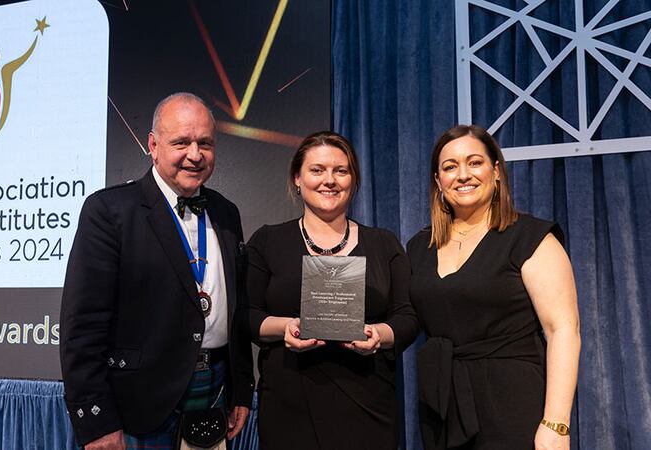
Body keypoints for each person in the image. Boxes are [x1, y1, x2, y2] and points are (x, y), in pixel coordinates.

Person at [60, 93, 254, 449]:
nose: (195, 154)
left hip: (214, 393)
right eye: (181, 142)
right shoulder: (109, 211)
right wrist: (97, 423)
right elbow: (82, 328)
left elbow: (237, 310)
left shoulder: (227, 212)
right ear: (153, 145)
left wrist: (241, 387)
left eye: (205, 143)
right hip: (140, 405)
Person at [407, 125, 580, 450]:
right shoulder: (419, 247)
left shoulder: (531, 237)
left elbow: (563, 330)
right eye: (450, 167)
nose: (463, 175)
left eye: (474, 162)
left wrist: (556, 424)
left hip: (514, 405)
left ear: (496, 171)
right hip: (443, 410)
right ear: (438, 181)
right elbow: (407, 317)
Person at [244, 131, 420, 449]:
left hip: (368, 406)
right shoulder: (267, 241)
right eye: (317, 170)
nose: (330, 180)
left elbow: (407, 317)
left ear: (353, 180)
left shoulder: (384, 244)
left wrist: (378, 334)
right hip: (288, 408)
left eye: (341, 171)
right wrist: (287, 327)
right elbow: (247, 315)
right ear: (297, 178)